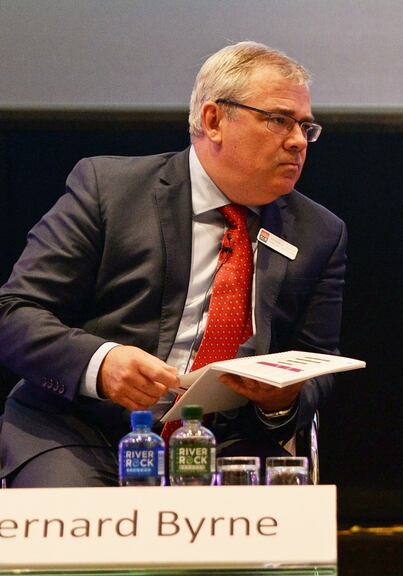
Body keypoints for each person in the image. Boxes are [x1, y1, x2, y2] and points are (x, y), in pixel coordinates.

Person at [0, 41, 347, 487]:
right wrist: (101, 364)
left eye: (306, 126)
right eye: (279, 119)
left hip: (226, 442)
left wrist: (280, 399)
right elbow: (14, 313)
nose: (299, 140)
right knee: (88, 548)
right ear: (214, 119)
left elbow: (318, 360)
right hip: (81, 431)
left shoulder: (318, 232)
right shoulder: (109, 191)